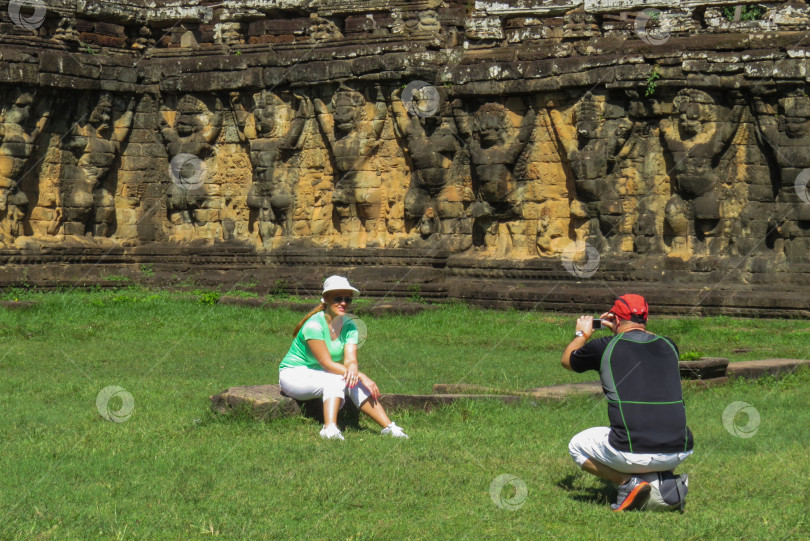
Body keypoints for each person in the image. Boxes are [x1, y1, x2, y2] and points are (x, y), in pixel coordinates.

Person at [561, 294, 693, 511]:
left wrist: (582, 333)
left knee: (577, 445)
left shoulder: (604, 346)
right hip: (680, 450)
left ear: (615, 319)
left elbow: (568, 361)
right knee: (648, 447)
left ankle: (627, 483)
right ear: (646, 319)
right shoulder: (669, 346)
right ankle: (663, 481)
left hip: (633, 450)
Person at [279, 275, 409, 440]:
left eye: (348, 300)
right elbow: (326, 363)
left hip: (318, 374)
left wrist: (354, 369)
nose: (343, 303)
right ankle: (329, 428)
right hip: (294, 374)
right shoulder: (314, 325)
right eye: (338, 298)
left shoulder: (350, 326)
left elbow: (349, 359)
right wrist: (361, 375)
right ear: (326, 299)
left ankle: (389, 427)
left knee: (352, 379)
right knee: (339, 380)